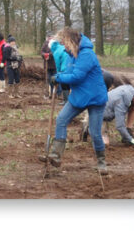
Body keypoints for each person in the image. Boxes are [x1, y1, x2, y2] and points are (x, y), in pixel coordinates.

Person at [42, 27, 110, 174]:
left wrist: (59, 78)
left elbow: (77, 76)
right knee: (61, 120)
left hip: (95, 98)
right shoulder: (72, 55)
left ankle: (101, 162)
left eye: (65, 42)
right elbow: (67, 72)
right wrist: (58, 76)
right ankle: (56, 155)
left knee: (94, 131)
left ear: (72, 41)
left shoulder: (87, 55)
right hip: (79, 96)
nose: (64, 46)